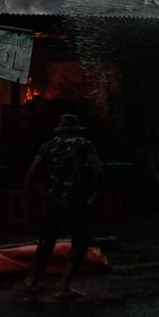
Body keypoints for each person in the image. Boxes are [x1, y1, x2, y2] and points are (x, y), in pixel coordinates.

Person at [22, 113, 103, 300]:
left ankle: (32, 279)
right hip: (75, 199)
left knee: (47, 239)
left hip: (52, 199)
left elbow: (32, 171)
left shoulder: (48, 145)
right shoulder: (84, 144)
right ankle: (64, 286)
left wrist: (26, 195)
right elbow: (97, 171)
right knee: (80, 241)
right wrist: (97, 193)